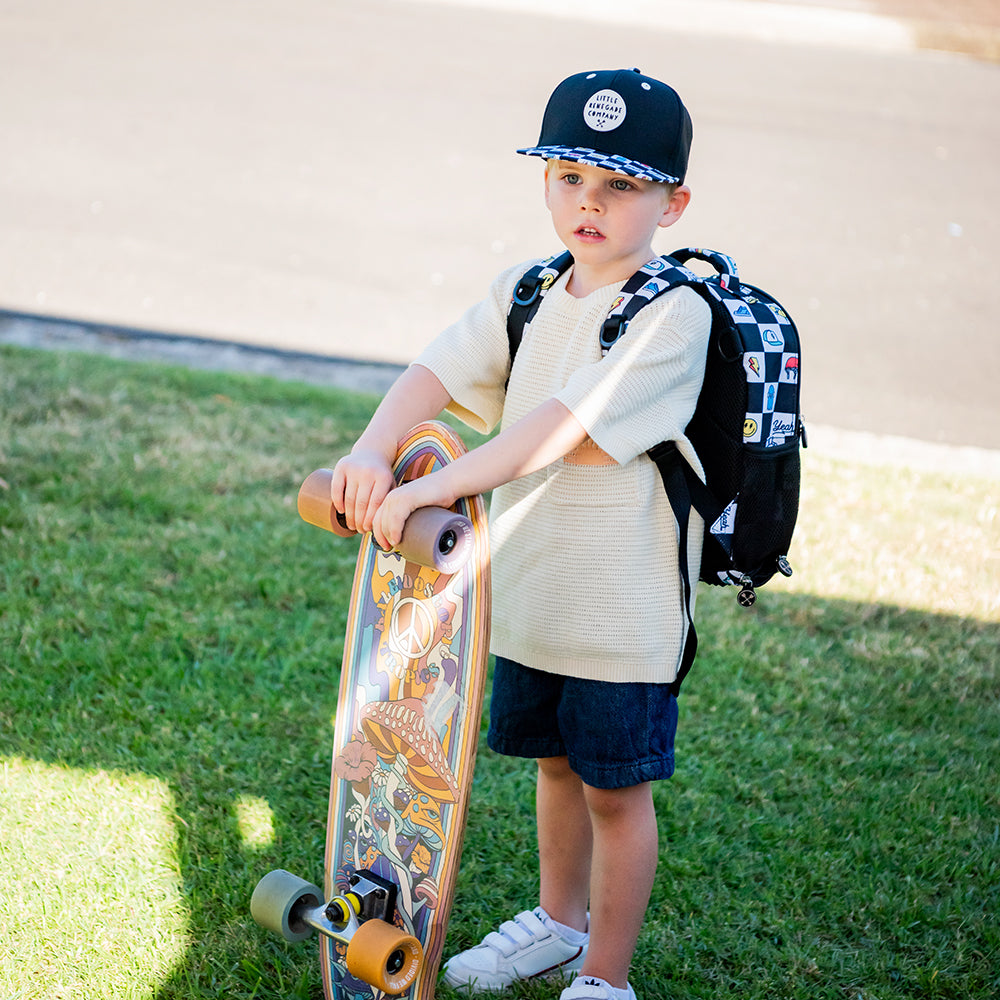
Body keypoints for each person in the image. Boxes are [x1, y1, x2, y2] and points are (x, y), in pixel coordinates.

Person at [331, 68, 712, 1000]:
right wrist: (372, 450)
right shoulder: (532, 289)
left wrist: (437, 485)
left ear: (672, 204)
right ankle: (557, 921)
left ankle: (605, 978)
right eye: (570, 177)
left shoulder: (673, 315)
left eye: (621, 185)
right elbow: (436, 368)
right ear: (545, 181)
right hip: (533, 596)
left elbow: (557, 428)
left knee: (614, 791)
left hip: (624, 616)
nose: (590, 203)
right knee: (555, 768)